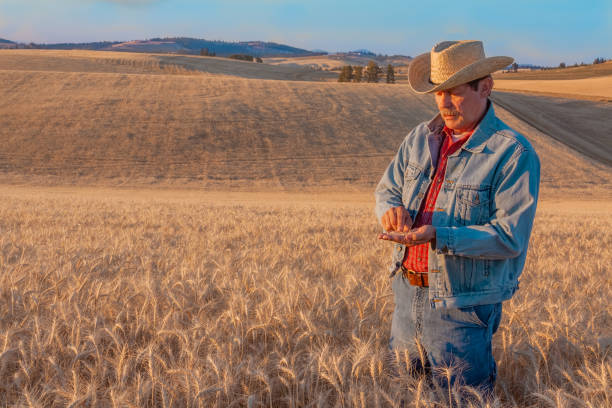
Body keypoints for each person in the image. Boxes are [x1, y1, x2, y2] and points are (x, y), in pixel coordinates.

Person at [374, 40, 540, 396]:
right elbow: (386, 189)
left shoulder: (512, 153)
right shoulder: (420, 138)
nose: (444, 103)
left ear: (486, 86)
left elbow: (509, 236)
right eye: (438, 93)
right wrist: (391, 211)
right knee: (401, 395)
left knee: (460, 400)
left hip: (462, 306)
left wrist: (438, 236)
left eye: (454, 93)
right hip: (406, 294)